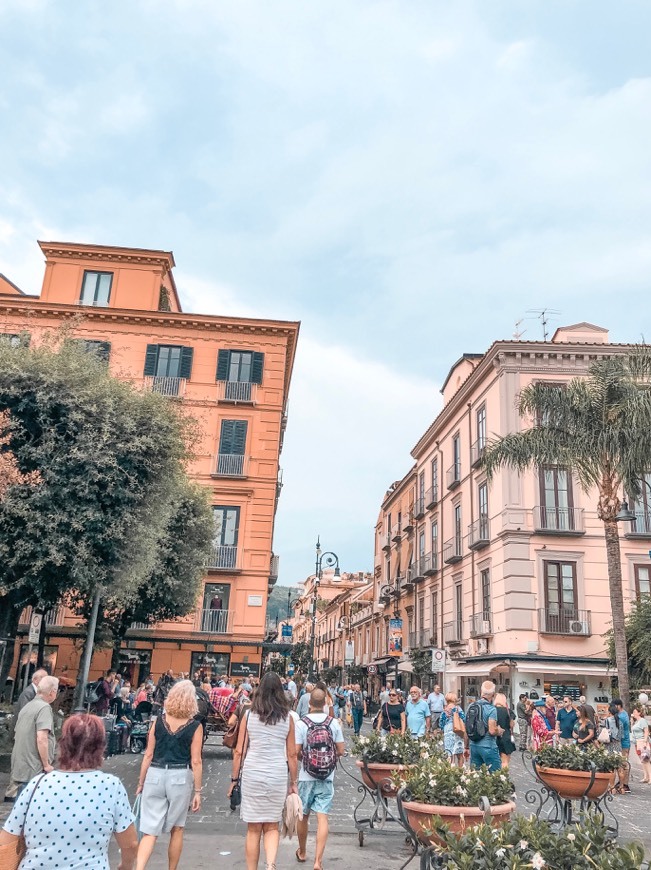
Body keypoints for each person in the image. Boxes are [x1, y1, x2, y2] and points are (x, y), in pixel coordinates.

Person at [0, 713, 138, 869]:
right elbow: (130, 843)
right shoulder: (110, 786)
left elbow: (7, 839)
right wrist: (125, 866)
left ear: (63, 744)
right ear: (100, 747)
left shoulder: (37, 784)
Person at [227, 671, 298, 870]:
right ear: (280, 693)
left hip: (253, 774)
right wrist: (293, 783)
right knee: (272, 826)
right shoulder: (288, 718)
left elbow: (239, 751)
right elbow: (292, 755)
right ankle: (270, 865)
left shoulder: (249, 715)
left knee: (253, 829)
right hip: (276, 774)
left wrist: (234, 780)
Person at [136, 679, 203, 869]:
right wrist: (198, 791)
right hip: (180, 776)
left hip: (155, 773)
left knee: (149, 830)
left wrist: (141, 782)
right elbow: (196, 760)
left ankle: (139, 867)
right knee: (178, 828)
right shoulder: (195, 726)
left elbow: (148, 754)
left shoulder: (157, 722)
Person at [295, 687, 346, 870]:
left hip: (306, 776)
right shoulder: (333, 723)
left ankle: (302, 851)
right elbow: (341, 750)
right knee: (322, 817)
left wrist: (307, 760)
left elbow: (296, 752)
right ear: (325, 703)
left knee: (303, 816)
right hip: (327, 776)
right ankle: (318, 861)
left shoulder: (302, 723)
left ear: (309, 704)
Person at [10, 675, 59, 795]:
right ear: (52, 692)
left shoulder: (28, 706)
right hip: (34, 767)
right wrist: (46, 765)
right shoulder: (44, 708)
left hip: (22, 764)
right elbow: (42, 738)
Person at [467, 681, 502, 771]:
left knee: (475, 775)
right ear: (493, 695)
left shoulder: (471, 706)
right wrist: (499, 731)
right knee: (495, 775)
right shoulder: (491, 709)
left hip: (474, 746)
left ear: (481, 692)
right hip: (488, 746)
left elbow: (467, 727)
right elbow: (492, 730)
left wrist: (466, 747)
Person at [439, 692, 465, 767]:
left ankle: (450, 772)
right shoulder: (458, 709)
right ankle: (460, 772)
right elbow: (464, 719)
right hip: (457, 732)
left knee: (449, 754)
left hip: (447, 732)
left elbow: (441, 724)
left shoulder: (445, 710)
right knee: (459, 755)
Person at [613, 698, 631, 793]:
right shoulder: (621, 715)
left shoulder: (622, 716)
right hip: (622, 742)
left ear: (618, 706)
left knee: (623, 763)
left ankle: (625, 784)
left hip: (624, 743)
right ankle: (621, 782)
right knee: (621, 763)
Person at [494, 693, 516, 768]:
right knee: (505, 760)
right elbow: (512, 724)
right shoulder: (508, 711)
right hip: (506, 736)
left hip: (494, 737)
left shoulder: (492, 710)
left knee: (495, 760)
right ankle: (503, 777)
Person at [631, 707, 651, 783]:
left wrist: (645, 740)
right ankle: (646, 776)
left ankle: (650, 777)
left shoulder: (642, 721)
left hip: (642, 741)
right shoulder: (636, 722)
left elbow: (646, 730)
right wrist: (631, 722)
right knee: (642, 760)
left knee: (646, 760)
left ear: (639, 713)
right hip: (637, 742)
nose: (634, 713)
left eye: (635, 712)